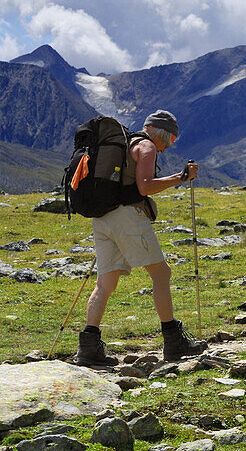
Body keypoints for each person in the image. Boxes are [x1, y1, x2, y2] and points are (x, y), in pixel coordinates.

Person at [76, 110, 205, 366]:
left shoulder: (125, 144)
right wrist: (181, 177)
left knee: (105, 283)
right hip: (128, 217)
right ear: (161, 134)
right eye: (169, 141)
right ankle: (173, 341)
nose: (167, 148)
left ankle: (89, 347)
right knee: (161, 274)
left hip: (103, 219)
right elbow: (145, 186)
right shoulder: (146, 146)